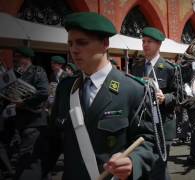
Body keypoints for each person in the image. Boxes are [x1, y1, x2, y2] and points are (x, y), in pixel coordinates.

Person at [19, 12, 158, 180]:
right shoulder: (66, 88)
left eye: (82, 43)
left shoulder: (133, 89)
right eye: (70, 43)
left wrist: (132, 161)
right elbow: (50, 142)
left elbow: (149, 141)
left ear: (105, 43)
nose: (73, 50)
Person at [131, 27, 177, 180]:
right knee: (146, 167)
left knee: (159, 165)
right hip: (142, 126)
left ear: (158, 45)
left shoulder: (170, 68)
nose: (145, 44)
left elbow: (180, 97)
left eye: (149, 41)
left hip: (162, 125)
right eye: (143, 41)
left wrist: (166, 98)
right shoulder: (137, 67)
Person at [11, 47, 49, 180]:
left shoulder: (37, 71)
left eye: (17, 56)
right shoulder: (17, 73)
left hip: (34, 121)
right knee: (31, 157)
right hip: (21, 121)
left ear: (26, 58)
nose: (14, 59)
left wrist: (24, 103)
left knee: (28, 158)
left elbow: (44, 92)